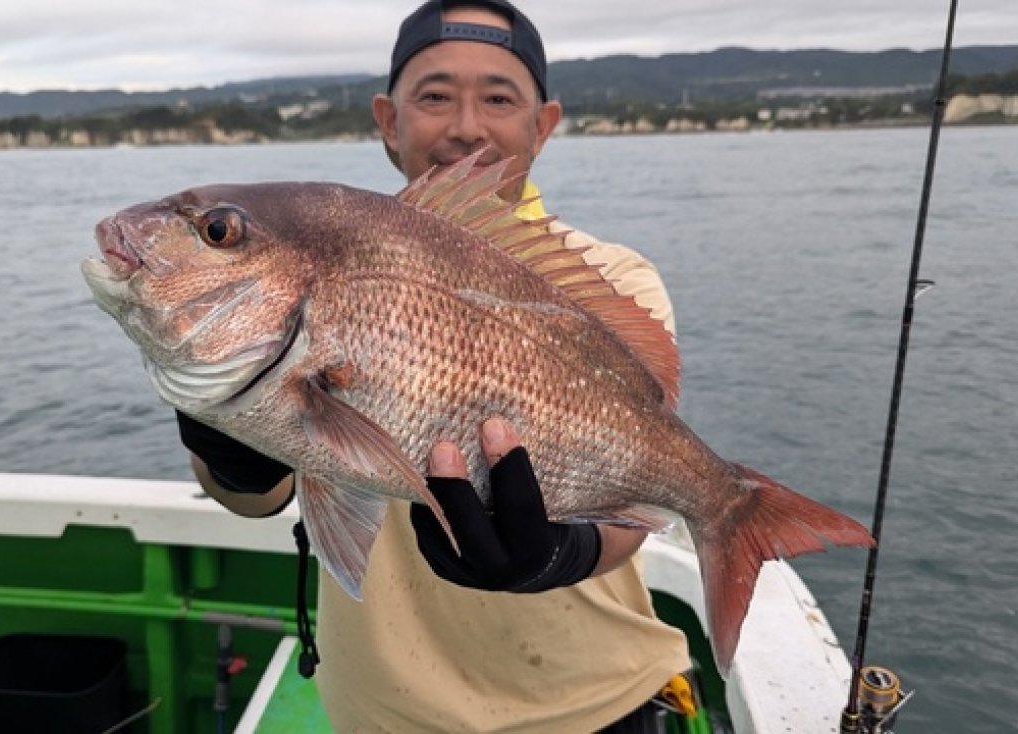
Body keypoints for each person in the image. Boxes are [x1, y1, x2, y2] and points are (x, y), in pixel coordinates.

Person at [177, 1, 692, 731]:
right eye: (435, 95)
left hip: (590, 704)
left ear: (543, 125)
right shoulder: (310, 269)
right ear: (389, 120)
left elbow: (638, 498)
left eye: (499, 97)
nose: (466, 126)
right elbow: (258, 497)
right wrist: (230, 445)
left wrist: (559, 555)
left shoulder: (614, 280)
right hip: (383, 711)